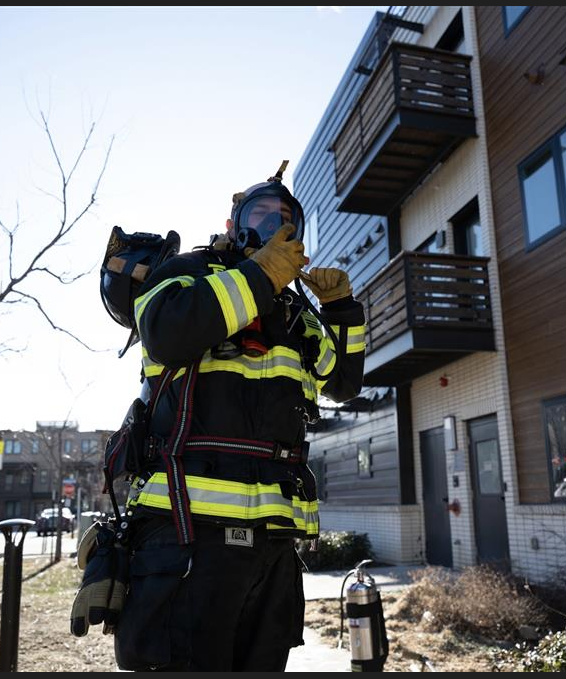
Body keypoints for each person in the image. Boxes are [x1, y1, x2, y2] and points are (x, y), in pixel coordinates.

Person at [95, 162, 365, 671]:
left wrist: (342, 310)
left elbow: (344, 384)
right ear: (232, 223)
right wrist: (261, 274)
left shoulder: (296, 313)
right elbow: (169, 333)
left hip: (274, 547)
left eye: (285, 216)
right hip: (186, 537)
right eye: (260, 212)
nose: (273, 222)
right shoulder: (187, 274)